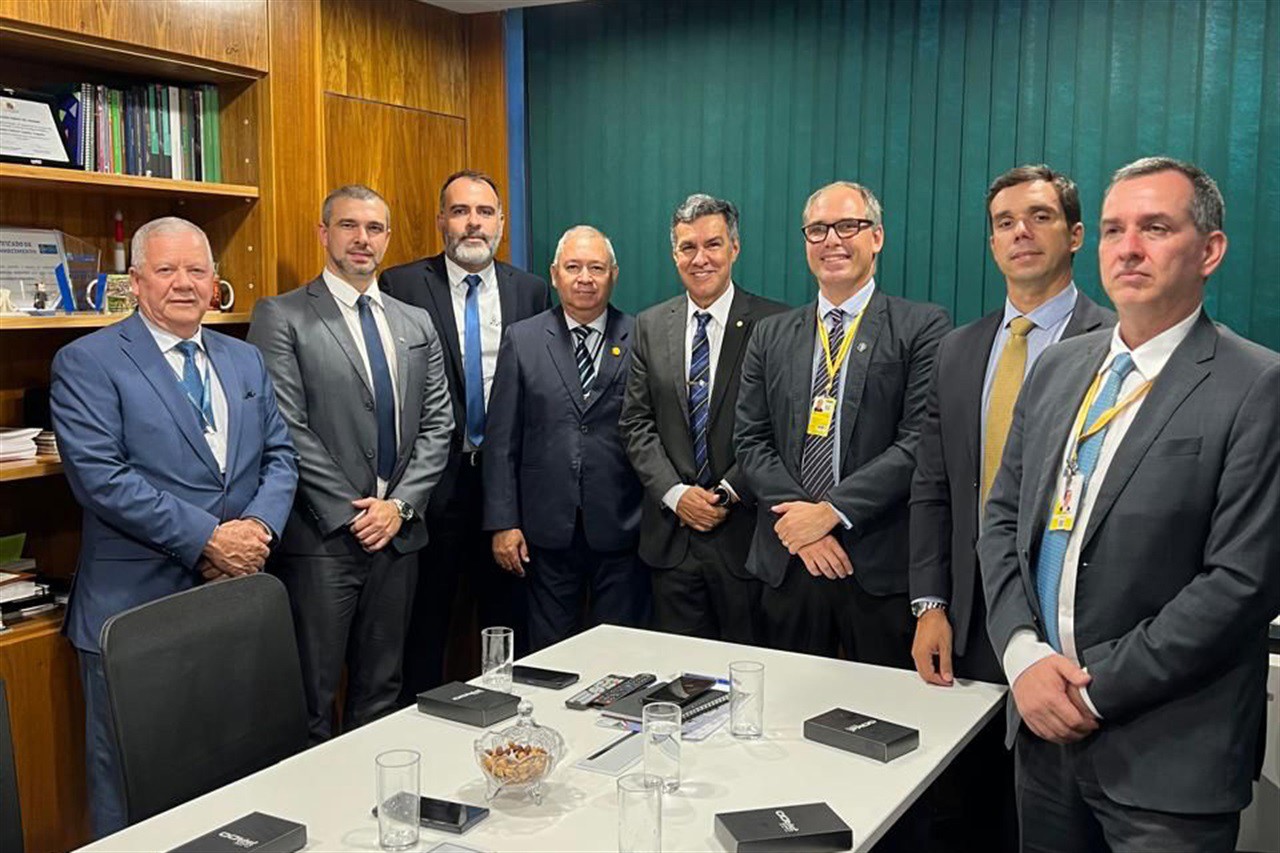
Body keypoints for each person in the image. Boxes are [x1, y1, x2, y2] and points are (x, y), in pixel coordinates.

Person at [978, 156, 1280, 851]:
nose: (1129, 248)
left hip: (1167, 759)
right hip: (1042, 737)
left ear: (1210, 251)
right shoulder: (1059, 368)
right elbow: (1003, 521)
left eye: (1156, 228)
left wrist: (1089, 691)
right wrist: (1022, 656)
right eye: (1114, 229)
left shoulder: (1256, 385)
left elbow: (1241, 582)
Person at [51, 217, 297, 837]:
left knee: (232, 776)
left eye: (197, 270)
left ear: (215, 281)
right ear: (135, 282)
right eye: (166, 270)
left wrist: (256, 531)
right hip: (136, 611)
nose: (184, 283)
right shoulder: (88, 361)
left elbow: (280, 456)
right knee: (132, 789)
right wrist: (210, 538)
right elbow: (101, 478)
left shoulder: (244, 358)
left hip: (233, 598)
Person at [907, 165, 1114, 851]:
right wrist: (930, 603)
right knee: (967, 812)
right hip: (968, 623)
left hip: (1067, 634)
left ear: (1075, 235)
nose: (1021, 232)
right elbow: (933, 485)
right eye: (1004, 222)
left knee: (1051, 824)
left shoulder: (1118, 345)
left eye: (1040, 216)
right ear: (992, 243)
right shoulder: (959, 350)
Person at [247, 185, 453, 743]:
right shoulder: (282, 315)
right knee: (311, 701)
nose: (362, 239)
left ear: (387, 239)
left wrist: (399, 507)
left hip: (397, 539)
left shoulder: (416, 322)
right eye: (348, 226)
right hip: (323, 541)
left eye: (374, 228)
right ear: (324, 234)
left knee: (381, 695)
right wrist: (354, 513)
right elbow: (285, 426)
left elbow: (439, 425)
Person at [735, 181, 951, 663]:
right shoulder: (770, 334)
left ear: (877, 237)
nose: (831, 240)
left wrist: (830, 512)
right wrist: (803, 523)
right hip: (788, 560)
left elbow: (918, 441)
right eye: (817, 230)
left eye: (848, 226)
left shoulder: (922, 327)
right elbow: (750, 439)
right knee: (785, 703)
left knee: (878, 706)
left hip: (874, 564)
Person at [380, 170, 550, 697]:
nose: (473, 223)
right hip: (432, 486)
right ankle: (420, 723)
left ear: (500, 222)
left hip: (507, 487)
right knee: (425, 622)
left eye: (484, 212)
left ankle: (510, 720)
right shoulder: (402, 285)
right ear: (441, 221)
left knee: (507, 619)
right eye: (460, 211)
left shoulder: (530, 291)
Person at [620, 194, 786, 643]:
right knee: (680, 673)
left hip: (745, 536)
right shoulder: (650, 325)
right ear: (674, 254)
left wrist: (726, 493)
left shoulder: (775, 323)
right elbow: (636, 423)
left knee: (750, 670)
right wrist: (676, 495)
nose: (700, 259)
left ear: (735, 247)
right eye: (687, 247)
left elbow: (780, 427)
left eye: (712, 244)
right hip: (672, 540)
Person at [483, 225, 647, 651]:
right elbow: (501, 442)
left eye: (596, 268)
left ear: (613, 274)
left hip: (623, 524)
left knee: (619, 651)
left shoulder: (642, 337)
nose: (584, 278)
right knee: (550, 653)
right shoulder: (523, 339)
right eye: (573, 267)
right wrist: (503, 523)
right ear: (555, 274)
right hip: (545, 529)